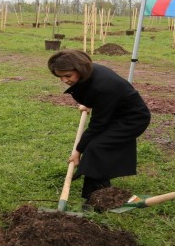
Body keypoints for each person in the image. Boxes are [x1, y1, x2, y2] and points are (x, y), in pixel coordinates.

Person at [47, 50, 151, 203]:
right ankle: (101, 188)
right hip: (115, 112)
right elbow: (99, 98)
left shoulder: (103, 85)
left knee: (97, 147)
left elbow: (97, 124)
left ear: (80, 69)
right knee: (98, 147)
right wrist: (91, 105)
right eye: (60, 77)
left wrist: (78, 150)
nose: (64, 80)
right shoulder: (90, 73)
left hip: (132, 119)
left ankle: (94, 194)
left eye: (67, 76)